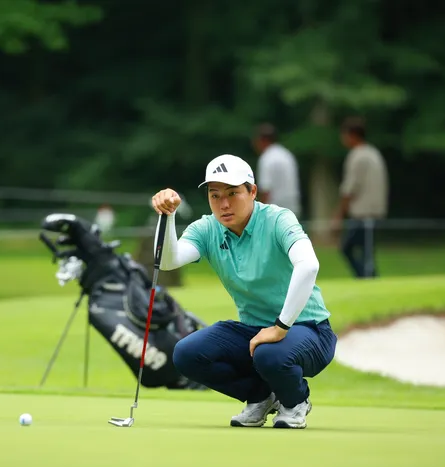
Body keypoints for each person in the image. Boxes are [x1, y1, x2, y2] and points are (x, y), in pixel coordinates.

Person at [150, 154, 337, 429]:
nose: (224, 204)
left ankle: (296, 401)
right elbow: (168, 260)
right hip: (254, 332)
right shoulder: (207, 228)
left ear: (252, 191)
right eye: (215, 195)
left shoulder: (278, 219)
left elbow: (308, 266)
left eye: (232, 193)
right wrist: (167, 215)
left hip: (310, 330)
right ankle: (261, 397)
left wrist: (280, 327)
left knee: (269, 354)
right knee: (187, 354)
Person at [333, 117, 389, 278]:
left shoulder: (357, 156)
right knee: (367, 251)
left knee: (348, 248)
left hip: (362, 213)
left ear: (351, 135)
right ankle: (368, 277)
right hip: (376, 211)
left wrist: (338, 215)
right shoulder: (373, 153)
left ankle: (366, 278)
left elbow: (349, 189)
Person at [253, 123, 301, 217]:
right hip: (292, 208)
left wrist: (260, 215)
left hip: (274, 212)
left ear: (263, 140)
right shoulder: (286, 154)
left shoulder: (267, 158)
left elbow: (266, 190)